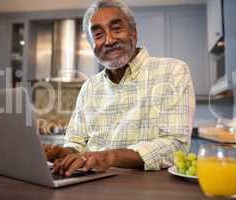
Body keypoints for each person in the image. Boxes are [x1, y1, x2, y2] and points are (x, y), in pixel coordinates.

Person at [45, 0, 195, 176]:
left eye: (116, 29)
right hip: (90, 185)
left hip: (148, 189)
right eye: (99, 35)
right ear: (92, 45)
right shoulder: (90, 87)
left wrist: (108, 157)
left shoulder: (173, 71)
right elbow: (77, 142)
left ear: (134, 32)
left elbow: (175, 145)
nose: (109, 40)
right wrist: (67, 153)